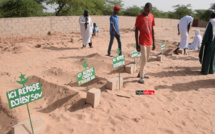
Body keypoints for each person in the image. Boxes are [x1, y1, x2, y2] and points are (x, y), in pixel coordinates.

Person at [135, 2, 155, 84]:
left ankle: (141, 72)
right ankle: (141, 77)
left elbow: (152, 29)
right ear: (144, 8)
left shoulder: (151, 16)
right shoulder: (139, 17)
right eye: (146, 10)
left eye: (148, 10)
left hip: (149, 41)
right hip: (142, 41)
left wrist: (154, 42)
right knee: (143, 58)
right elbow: (136, 30)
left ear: (150, 9)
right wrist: (136, 43)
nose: (147, 12)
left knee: (147, 58)